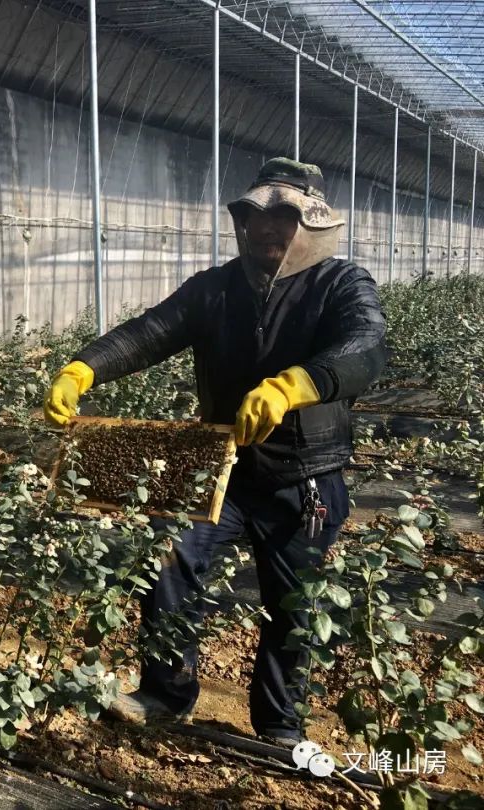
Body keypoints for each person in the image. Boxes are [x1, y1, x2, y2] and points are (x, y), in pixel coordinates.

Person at [44, 158, 388, 745]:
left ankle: (280, 725)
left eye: (283, 217)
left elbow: (367, 347)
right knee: (170, 563)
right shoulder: (217, 288)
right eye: (256, 217)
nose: (268, 230)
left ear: (311, 224)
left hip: (302, 479)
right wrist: (84, 368)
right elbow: (149, 332)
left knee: (293, 604)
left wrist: (296, 385)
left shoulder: (341, 284)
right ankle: (163, 692)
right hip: (221, 468)